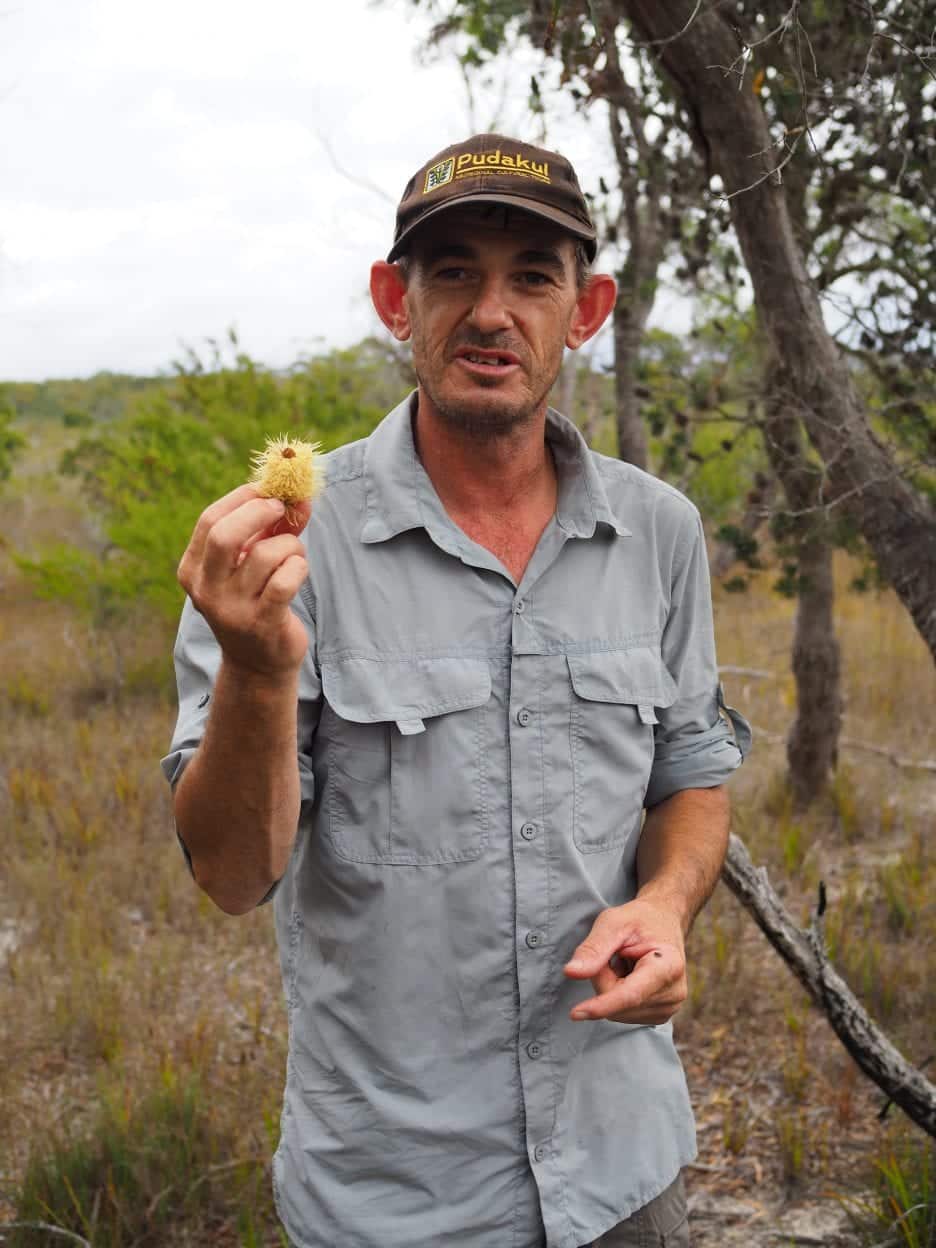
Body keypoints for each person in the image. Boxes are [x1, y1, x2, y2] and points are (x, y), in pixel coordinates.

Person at [162, 133, 751, 1248]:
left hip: (626, 1172)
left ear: (587, 310)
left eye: (533, 275)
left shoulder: (659, 532)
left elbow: (692, 774)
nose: (493, 310)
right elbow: (234, 874)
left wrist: (665, 906)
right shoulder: (288, 551)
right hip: (394, 1197)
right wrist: (255, 670)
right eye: (453, 273)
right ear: (398, 298)